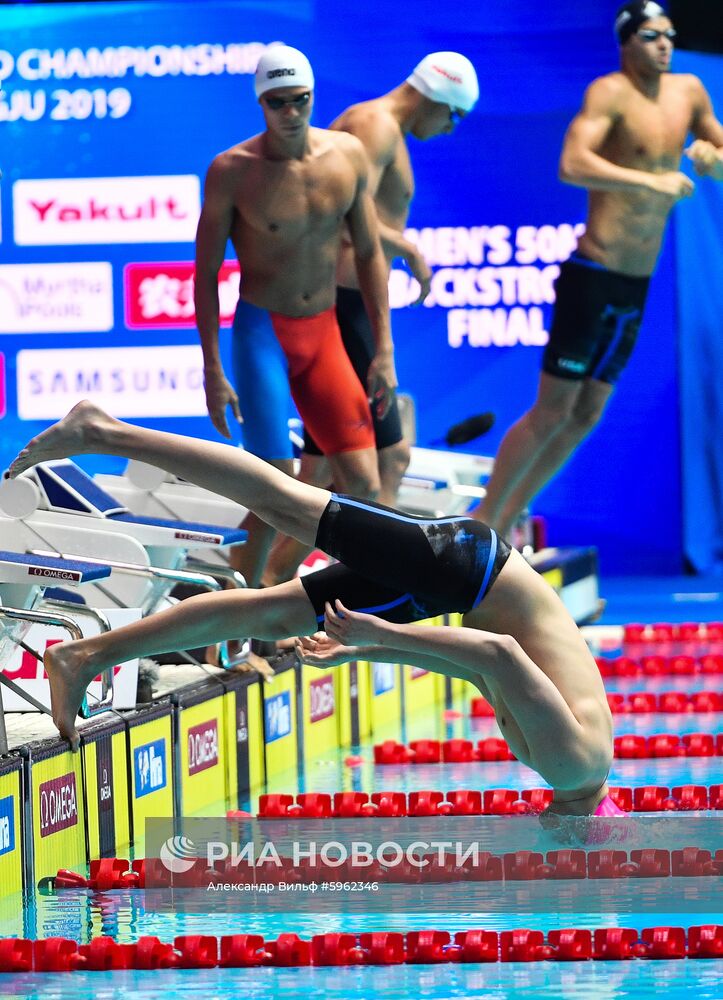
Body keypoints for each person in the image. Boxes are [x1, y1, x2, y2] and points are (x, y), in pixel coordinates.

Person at [9, 400, 618, 817]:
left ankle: (84, 654)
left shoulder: (581, 764)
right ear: (590, 832)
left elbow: (486, 669)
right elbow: (499, 650)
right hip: (462, 569)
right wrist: (379, 633)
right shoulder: (570, 768)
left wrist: (373, 644)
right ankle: (102, 431)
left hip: (456, 586)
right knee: (290, 507)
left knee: (271, 614)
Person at [475, 1, 723, 538]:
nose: (664, 45)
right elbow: (571, 165)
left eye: (670, 35)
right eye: (651, 36)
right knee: (553, 410)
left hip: (635, 285)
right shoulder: (609, 93)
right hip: (593, 272)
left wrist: (714, 160)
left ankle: (505, 522)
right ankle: (481, 521)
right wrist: (650, 181)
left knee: (587, 414)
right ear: (626, 43)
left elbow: (721, 153)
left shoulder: (689, 94)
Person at [260, 52, 480, 587]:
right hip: (335, 309)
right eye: (453, 116)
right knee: (386, 462)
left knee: (320, 474)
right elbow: (332, 209)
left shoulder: (384, 129)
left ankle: (271, 584)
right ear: (436, 97)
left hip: (345, 309)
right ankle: (363, 591)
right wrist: (409, 247)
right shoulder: (375, 126)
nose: (450, 129)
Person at [195, 45, 396, 591]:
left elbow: (372, 253)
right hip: (263, 333)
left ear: (313, 98)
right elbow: (206, 274)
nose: (290, 113)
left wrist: (385, 352)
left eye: (300, 101)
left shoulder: (347, 156)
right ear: (262, 102)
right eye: (278, 103)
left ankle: (278, 588)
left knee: (364, 485)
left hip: (324, 331)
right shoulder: (233, 172)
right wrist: (214, 372)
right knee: (275, 485)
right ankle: (242, 617)